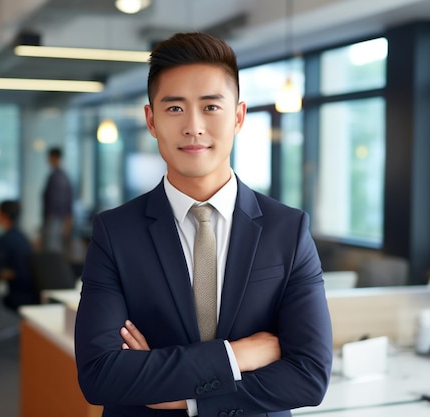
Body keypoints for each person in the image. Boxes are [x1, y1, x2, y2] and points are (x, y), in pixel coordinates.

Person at [74, 33, 333, 417]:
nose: (194, 126)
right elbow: (101, 374)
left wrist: (185, 399)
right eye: (175, 109)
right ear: (151, 120)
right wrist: (236, 355)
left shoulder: (288, 229)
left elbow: (309, 376)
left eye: (211, 106)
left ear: (239, 116)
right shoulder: (115, 233)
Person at [0, 200, 36, 308]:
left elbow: (3, 269)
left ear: (3, 215)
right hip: (31, 291)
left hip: (18, 293)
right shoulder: (21, 236)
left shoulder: (6, 239)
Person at [42, 147, 73, 255]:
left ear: (54, 157)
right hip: (58, 217)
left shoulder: (57, 177)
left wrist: (65, 218)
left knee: (52, 250)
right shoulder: (62, 176)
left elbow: (59, 200)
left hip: (55, 218)